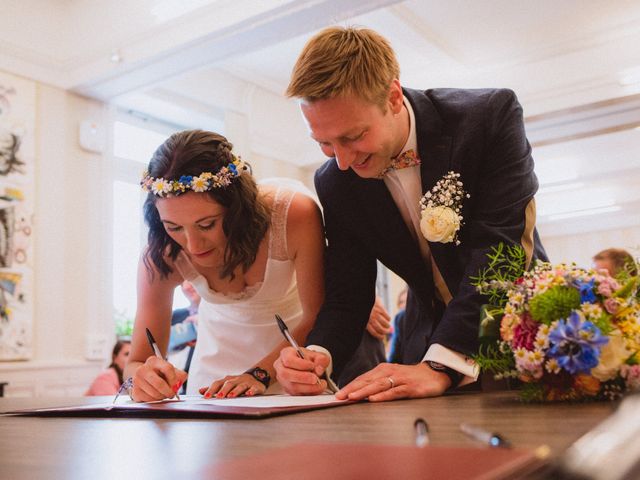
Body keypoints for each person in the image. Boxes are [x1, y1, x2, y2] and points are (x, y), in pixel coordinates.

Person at [274, 26, 548, 402]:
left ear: (393, 96)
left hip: (525, 333)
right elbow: (349, 291)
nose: (341, 161)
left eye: (352, 136)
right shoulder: (336, 182)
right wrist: (317, 355)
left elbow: (501, 250)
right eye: (323, 142)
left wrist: (441, 364)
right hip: (425, 344)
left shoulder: (487, 119)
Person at [124, 130, 383, 402]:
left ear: (237, 207)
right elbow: (137, 360)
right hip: (216, 362)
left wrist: (258, 375)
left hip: (292, 355)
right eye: (173, 227)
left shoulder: (292, 215)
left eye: (207, 224)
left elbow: (316, 314)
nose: (192, 245)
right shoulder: (160, 255)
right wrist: (140, 380)